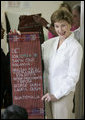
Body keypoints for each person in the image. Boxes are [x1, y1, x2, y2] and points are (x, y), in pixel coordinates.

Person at [41, 8, 83, 119]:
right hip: (47, 93)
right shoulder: (49, 44)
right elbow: (32, 51)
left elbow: (73, 77)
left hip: (63, 95)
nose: (60, 30)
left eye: (63, 25)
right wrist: (17, 37)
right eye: (57, 26)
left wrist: (57, 95)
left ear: (70, 24)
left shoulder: (75, 47)